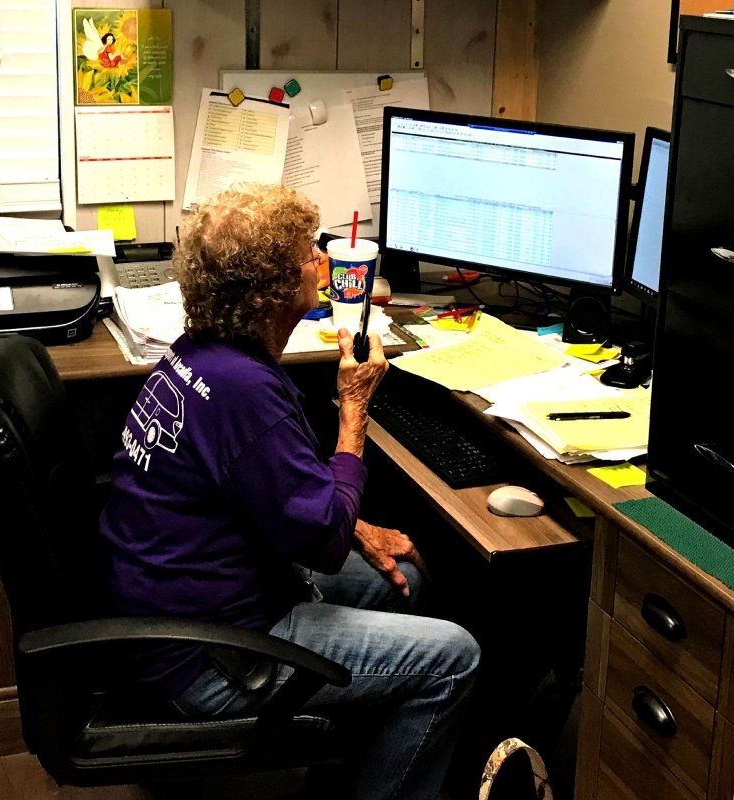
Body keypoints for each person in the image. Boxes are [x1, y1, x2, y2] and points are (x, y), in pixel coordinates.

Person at [99, 184, 480, 800]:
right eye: (310, 252)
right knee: (454, 657)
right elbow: (322, 543)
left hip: (177, 608)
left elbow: (264, 489)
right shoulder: (246, 393)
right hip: (213, 654)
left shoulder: (199, 357)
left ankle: (355, 770)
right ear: (273, 289)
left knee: (401, 579)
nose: (323, 262)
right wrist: (354, 411)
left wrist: (356, 524)